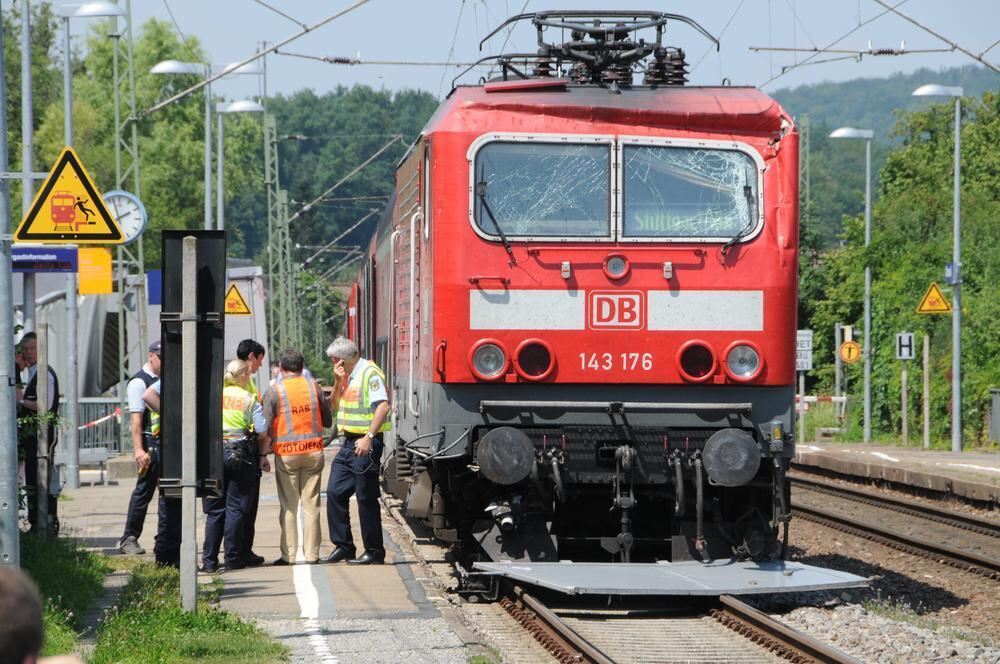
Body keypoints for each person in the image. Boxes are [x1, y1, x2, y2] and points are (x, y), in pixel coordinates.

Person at [325, 337, 391, 565]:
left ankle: (374, 551)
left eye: (334, 361)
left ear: (341, 359)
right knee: (334, 493)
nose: (333, 364)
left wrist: (368, 438)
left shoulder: (370, 373)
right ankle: (344, 546)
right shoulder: (347, 377)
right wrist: (336, 381)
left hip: (365, 443)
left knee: (366, 497)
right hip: (347, 444)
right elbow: (333, 406)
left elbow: (383, 406)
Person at [201, 359, 271, 572]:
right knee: (235, 508)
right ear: (242, 376)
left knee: (215, 510)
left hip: (213, 456)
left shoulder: (214, 396)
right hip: (240, 455)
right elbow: (261, 431)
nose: (249, 378)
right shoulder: (248, 399)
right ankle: (232, 557)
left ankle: (209, 561)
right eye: (248, 374)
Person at [264, 349, 330, 565]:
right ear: (302, 368)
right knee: (312, 505)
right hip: (313, 452)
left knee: (289, 506)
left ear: (281, 369)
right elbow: (327, 420)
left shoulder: (275, 391)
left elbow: (264, 425)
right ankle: (312, 555)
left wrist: (263, 452)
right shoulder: (314, 387)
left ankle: (289, 556)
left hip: (286, 455)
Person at [118, 341, 162, 555]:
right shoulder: (139, 382)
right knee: (144, 491)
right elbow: (136, 420)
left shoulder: (161, 378)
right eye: (160, 357)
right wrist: (139, 450)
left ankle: (163, 537)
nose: (163, 362)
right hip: (149, 445)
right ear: (150, 356)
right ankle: (129, 537)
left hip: (163, 443)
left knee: (168, 491)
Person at [15, 332, 61, 532]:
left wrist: (21, 402)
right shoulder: (34, 373)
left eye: (33, 348)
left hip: (41, 437)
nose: (29, 353)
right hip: (34, 437)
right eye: (26, 349)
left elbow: (45, 405)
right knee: (33, 478)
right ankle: (38, 522)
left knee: (40, 478)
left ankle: (44, 523)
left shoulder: (45, 374)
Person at [138, 378, 180, 568]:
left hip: (164, 443)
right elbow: (147, 395)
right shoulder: (172, 376)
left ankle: (166, 554)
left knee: (170, 500)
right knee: (170, 500)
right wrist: (173, 415)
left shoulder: (169, 378)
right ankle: (165, 556)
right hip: (166, 445)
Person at [234, 339, 267, 566]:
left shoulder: (231, 381)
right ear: (252, 357)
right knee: (244, 505)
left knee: (235, 505)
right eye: (260, 360)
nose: (261, 366)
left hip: (233, 449)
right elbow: (257, 423)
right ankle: (240, 551)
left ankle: (239, 550)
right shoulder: (245, 385)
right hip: (245, 450)